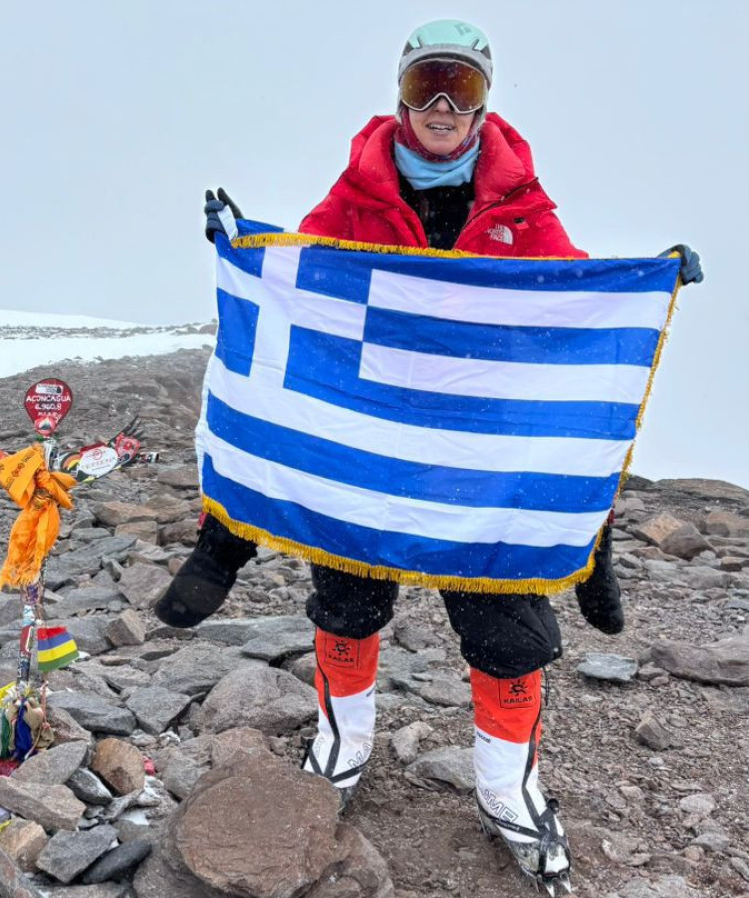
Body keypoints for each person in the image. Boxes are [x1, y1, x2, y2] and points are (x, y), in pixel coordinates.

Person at [157, 18, 703, 895]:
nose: (443, 107)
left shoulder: (522, 205)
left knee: (509, 627)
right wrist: (243, 249)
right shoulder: (352, 195)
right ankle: (344, 745)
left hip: (473, 456)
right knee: (346, 598)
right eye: (425, 86)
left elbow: (566, 312)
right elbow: (305, 305)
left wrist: (644, 282)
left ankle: (506, 789)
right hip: (369, 448)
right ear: (400, 94)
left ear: (487, 100)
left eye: (464, 88)